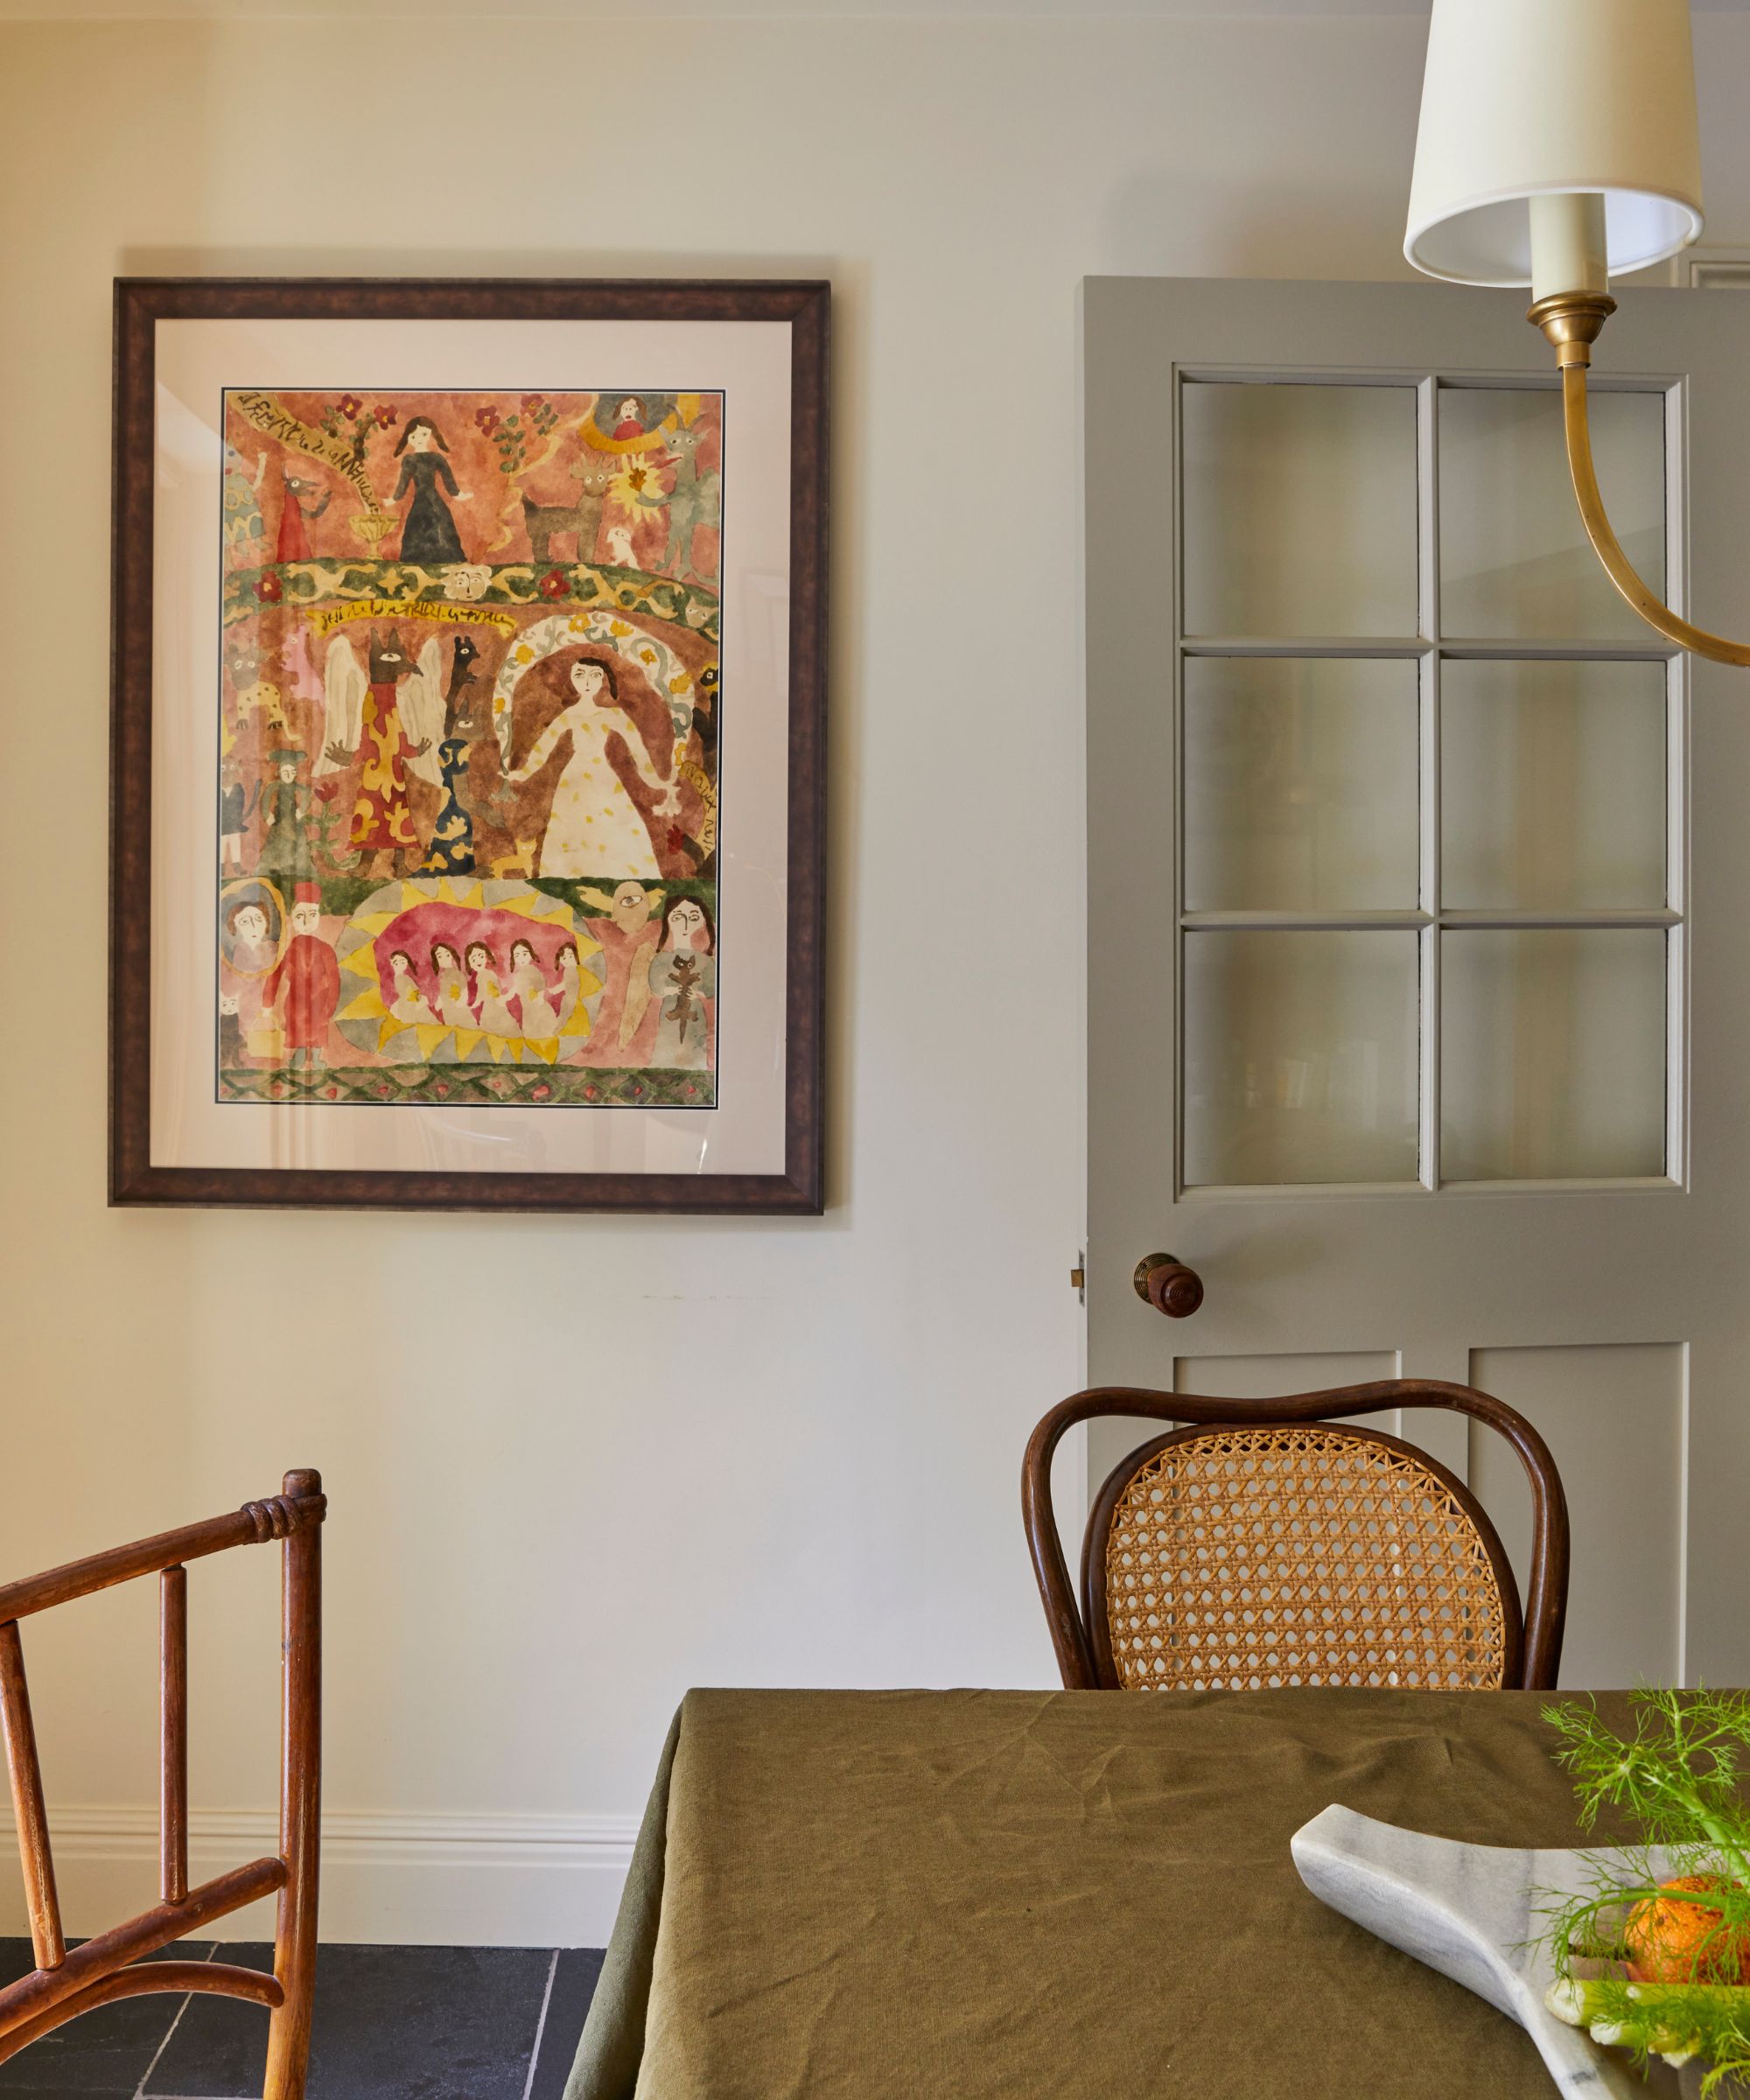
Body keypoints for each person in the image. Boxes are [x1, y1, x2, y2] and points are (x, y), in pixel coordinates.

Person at [508, 658, 676, 878]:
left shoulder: (613, 715)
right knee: (571, 824)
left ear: (603, 680)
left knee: (612, 824)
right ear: (572, 680)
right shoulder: (569, 715)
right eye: (580, 675)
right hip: (574, 778)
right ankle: (567, 877)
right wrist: (521, 773)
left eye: (594, 675)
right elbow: (543, 749)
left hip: (603, 779)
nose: (587, 681)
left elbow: (639, 753)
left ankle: (618, 876)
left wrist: (657, 782)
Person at [262, 884, 341, 1069]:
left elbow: (334, 979)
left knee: (317, 1028)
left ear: (319, 918)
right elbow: (274, 976)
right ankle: (298, 1054)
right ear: (292, 919)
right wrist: (267, 1003)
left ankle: (314, 1056)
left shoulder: (326, 949)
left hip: (320, 1000)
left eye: (312, 916)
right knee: (297, 1027)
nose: (306, 922)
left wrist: (331, 1004)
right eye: (300, 916)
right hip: (295, 1000)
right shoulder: (287, 949)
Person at [646, 894, 716, 1070]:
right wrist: (669, 990)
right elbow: (656, 986)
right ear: (668, 920)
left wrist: (697, 994)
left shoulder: (705, 961)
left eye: (693, 918)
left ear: (701, 921)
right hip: (671, 1009)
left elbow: (711, 988)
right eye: (678, 918)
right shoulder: (662, 959)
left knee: (694, 1048)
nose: (685, 925)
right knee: (667, 1046)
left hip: (694, 1011)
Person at [388, 416, 468, 564]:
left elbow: (448, 478)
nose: (419, 439)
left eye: (423, 434)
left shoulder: (436, 457)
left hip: (434, 500)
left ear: (432, 434)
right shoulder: (409, 459)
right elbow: (403, 482)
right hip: (420, 502)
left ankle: (446, 558)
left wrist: (458, 494)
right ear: (409, 439)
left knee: (441, 524)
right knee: (416, 526)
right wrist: (394, 498)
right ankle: (416, 560)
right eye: (414, 436)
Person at [256, 748, 314, 885]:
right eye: (285, 772)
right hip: (279, 821)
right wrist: (267, 815)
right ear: (280, 772)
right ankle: (270, 872)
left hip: (294, 821)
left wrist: (301, 811)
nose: (288, 775)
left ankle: (300, 871)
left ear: (295, 773)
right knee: (275, 845)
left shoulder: (297, 787)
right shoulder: (275, 785)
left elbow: (306, 795)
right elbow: (265, 800)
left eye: (292, 772)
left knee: (298, 844)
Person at [467, 940, 519, 1037]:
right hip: (488, 1009)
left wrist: (506, 995)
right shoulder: (479, 976)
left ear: (487, 957)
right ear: (469, 963)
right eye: (474, 959)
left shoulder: (489, 974)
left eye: (481, 957)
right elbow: (480, 996)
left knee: (500, 1032)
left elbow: (496, 994)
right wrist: (472, 1006)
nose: (478, 961)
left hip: (495, 1008)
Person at [509, 938, 558, 1040]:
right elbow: (515, 989)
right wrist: (505, 997)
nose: (521, 958)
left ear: (531, 954)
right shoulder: (518, 975)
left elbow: (541, 985)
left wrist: (539, 997)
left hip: (539, 1009)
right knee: (530, 1035)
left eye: (524, 954)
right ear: (513, 958)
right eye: (517, 955)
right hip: (528, 1010)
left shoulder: (533, 970)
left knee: (542, 1034)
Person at [387, 950, 438, 1027]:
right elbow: (410, 993)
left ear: (407, 963)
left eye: (403, 962)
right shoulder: (401, 978)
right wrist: (420, 999)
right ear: (392, 963)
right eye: (397, 963)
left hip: (410, 1002)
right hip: (411, 1004)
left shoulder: (403, 977)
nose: (400, 965)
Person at [431, 942, 473, 1031]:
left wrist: (461, 1001)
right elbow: (443, 992)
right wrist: (440, 1001)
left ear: (451, 956)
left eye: (447, 955)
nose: (444, 959)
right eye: (439, 957)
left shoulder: (458, 973)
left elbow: (464, 989)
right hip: (448, 1010)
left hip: (459, 1010)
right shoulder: (443, 976)